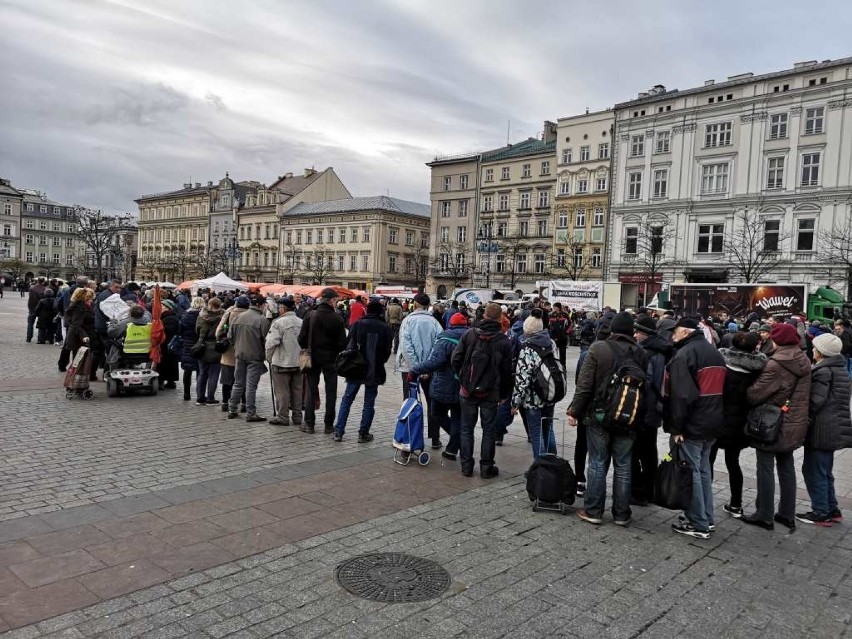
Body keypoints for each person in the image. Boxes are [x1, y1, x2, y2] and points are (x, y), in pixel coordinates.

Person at [567, 312, 647, 527]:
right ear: (632, 331)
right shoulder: (640, 352)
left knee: (597, 462)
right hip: (629, 416)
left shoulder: (598, 348)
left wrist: (574, 411)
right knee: (623, 465)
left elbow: (584, 386)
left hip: (599, 414)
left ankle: (594, 510)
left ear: (612, 329)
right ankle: (621, 513)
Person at [744, 323, 811, 531]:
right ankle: (787, 513)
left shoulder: (776, 364)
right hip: (794, 422)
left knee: (765, 466)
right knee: (786, 466)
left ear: (778, 340)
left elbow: (755, 394)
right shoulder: (803, 359)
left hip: (772, 422)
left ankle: (764, 514)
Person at [664, 317, 727, 539]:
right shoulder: (714, 352)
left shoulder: (685, 355)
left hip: (693, 422)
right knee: (702, 471)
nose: (672, 335)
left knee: (691, 472)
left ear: (684, 332)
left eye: (675, 331)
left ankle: (698, 522)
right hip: (712, 421)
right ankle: (706, 518)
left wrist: (677, 427)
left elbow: (682, 396)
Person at [450, 302, 513, 478]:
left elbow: (455, 359)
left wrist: (462, 378)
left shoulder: (469, 334)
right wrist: (504, 394)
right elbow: (507, 372)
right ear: (500, 318)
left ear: (484, 315)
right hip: (491, 391)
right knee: (488, 429)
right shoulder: (503, 341)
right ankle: (486, 467)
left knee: (466, 428)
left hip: (467, 390)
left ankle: (466, 466)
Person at [796, 333, 852, 526]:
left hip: (822, 428)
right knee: (824, 470)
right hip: (834, 426)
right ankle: (831, 508)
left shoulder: (824, 372)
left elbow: (815, 401)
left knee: (813, 470)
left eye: (815, 348)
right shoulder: (840, 369)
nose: (812, 351)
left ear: (822, 352)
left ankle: (821, 511)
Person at [713, 331, 767, 519]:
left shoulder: (721, 363)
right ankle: (736, 504)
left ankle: (702, 499)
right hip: (739, 421)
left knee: (708, 460)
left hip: (717, 417)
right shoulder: (758, 369)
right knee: (733, 462)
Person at [410, 312, 470, 461]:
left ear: (450, 324)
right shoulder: (472, 338)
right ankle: (452, 448)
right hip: (465, 385)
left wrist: (415, 370)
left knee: (436, 413)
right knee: (457, 418)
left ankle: (456, 442)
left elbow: (434, 362)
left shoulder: (445, 339)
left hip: (444, 384)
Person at [333, 300, 393, 442]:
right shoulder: (385, 327)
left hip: (355, 367)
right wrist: (379, 361)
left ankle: (339, 431)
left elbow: (348, 344)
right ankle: (363, 433)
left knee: (347, 400)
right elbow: (387, 350)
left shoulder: (357, 324)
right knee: (369, 402)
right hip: (374, 369)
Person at [630, 314, 672, 506]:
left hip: (646, 408)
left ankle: (641, 491)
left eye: (637, 332)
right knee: (649, 450)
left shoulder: (648, 353)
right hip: (655, 408)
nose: (635, 335)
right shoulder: (661, 349)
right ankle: (650, 489)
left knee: (639, 450)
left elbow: (647, 383)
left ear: (644, 334)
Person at [298, 287, 347, 434]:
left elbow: (301, 338)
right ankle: (329, 425)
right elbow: (342, 343)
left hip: (311, 357)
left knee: (311, 390)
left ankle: (309, 423)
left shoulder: (310, 314)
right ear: (332, 300)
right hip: (330, 359)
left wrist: (307, 347)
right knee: (331, 391)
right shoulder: (337, 317)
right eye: (336, 300)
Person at [511, 314, 560, 460]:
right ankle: (552, 463)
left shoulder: (527, 347)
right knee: (548, 428)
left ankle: (541, 469)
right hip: (549, 393)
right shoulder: (551, 343)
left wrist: (515, 403)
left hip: (533, 399)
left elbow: (522, 378)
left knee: (536, 433)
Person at [398, 293, 443, 447]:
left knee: (409, 401)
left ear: (415, 304)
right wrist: (428, 367)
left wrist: (416, 367)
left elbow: (406, 347)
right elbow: (439, 347)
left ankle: (408, 437)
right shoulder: (435, 323)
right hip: (431, 369)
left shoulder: (407, 321)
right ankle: (435, 438)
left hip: (409, 369)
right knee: (433, 402)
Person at [226, 295, 270, 422]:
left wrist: (237, 346)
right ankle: (251, 413)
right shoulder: (262, 320)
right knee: (251, 386)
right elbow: (266, 341)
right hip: (255, 356)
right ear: (262, 305)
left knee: (238, 383)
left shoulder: (238, 317)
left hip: (240, 354)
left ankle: (232, 409)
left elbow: (230, 336)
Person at [265, 298, 304, 426]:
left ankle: (283, 417)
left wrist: (269, 358)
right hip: (299, 362)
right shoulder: (301, 322)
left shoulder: (278, 323)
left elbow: (271, 343)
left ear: (283, 308)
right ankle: (297, 417)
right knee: (297, 390)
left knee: (282, 391)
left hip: (282, 362)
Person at [217, 295, 250, 413]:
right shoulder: (251, 315)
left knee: (227, 379)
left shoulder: (229, 313)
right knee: (243, 379)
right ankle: (244, 403)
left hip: (229, 351)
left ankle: (225, 403)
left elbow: (218, 332)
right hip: (246, 350)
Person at [194, 297, 224, 405]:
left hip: (202, 346)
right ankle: (211, 398)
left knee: (202, 373)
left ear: (209, 304)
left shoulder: (201, 315)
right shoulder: (223, 316)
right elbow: (224, 330)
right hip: (216, 347)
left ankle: (200, 398)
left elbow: (197, 330)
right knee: (214, 374)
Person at [179, 297, 205, 401]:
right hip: (200, 346)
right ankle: (200, 394)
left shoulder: (185, 316)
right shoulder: (204, 317)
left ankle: (186, 394)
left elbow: (180, 331)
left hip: (187, 346)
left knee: (187, 371)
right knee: (200, 371)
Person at [64, 287, 95, 358]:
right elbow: (76, 324)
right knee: (78, 360)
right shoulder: (79, 309)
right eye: (90, 299)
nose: (92, 301)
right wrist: (84, 336)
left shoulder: (85, 307)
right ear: (85, 298)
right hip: (79, 337)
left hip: (82, 335)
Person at [549, 303, 569, 369]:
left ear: (558, 307)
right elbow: (548, 325)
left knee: (563, 353)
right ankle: (555, 366)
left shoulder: (565, 315)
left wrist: (566, 332)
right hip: (553, 336)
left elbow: (571, 324)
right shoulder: (551, 314)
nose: (553, 308)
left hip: (562, 337)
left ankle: (563, 366)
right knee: (554, 352)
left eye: (554, 307)